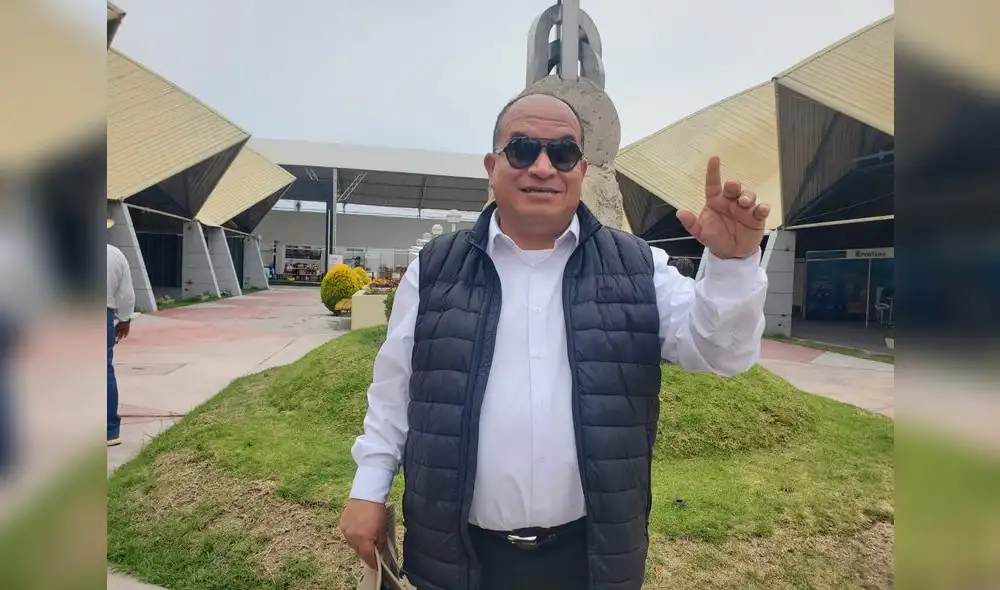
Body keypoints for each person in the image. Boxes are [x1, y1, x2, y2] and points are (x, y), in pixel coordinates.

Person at [340, 93, 770, 590]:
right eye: (522, 149)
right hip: (459, 558)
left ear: (581, 170)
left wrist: (734, 267)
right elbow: (395, 390)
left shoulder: (637, 268)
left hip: (588, 560)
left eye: (562, 153)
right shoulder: (435, 270)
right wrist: (368, 487)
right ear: (492, 166)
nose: (543, 166)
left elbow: (721, 354)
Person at [107, 232, 135, 447]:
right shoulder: (115, 254)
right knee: (104, 371)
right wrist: (125, 319)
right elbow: (126, 293)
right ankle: (110, 431)